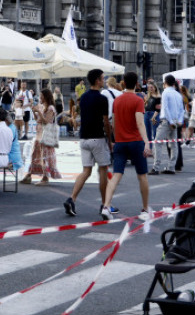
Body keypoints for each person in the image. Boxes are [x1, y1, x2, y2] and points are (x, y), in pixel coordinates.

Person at [100, 71, 152, 220]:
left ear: (123, 82)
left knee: (116, 174)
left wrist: (115, 139)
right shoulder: (138, 100)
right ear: (136, 84)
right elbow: (140, 123)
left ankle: (106, 206)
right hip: (136, 141)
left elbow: (114, 123)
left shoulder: (117, 101)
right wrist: (147, 142)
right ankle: (145, 209)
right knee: (142, 175)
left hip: (120, 142)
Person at [63, 68, 113, 218]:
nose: (104, 81)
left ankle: (72, 199)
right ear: (97, 80)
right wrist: (110, 140)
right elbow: (106, 122)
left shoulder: (83, 97)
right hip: (97, 137)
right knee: (102, 170)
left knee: (86, 171)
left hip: (84, 137)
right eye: (102, 78)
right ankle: (104, 205)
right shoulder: (102, 99)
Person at [22, 88, 60, 185]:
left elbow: (47, 121)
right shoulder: (42, 106)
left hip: (46, 135)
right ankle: (29, 175)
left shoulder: (51, 108)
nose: (40, 98)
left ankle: (45, 177)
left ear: (46, 97)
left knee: (44, 156)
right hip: (39, 134)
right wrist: (34, 112)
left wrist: (38, 112)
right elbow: (38, 120)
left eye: (41, 96)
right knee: (35, 155)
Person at [151, 75, 184, 175]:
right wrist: (179, 121)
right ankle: (171, 167)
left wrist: (170, 122)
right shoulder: (178, 94)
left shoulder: (165, 92)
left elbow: (165, 108)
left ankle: (156, 167)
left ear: (165, 83)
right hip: (175, 121)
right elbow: (182, 110)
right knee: (173, 144)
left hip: (167, 121)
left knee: (157, 142)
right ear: (174, 83)